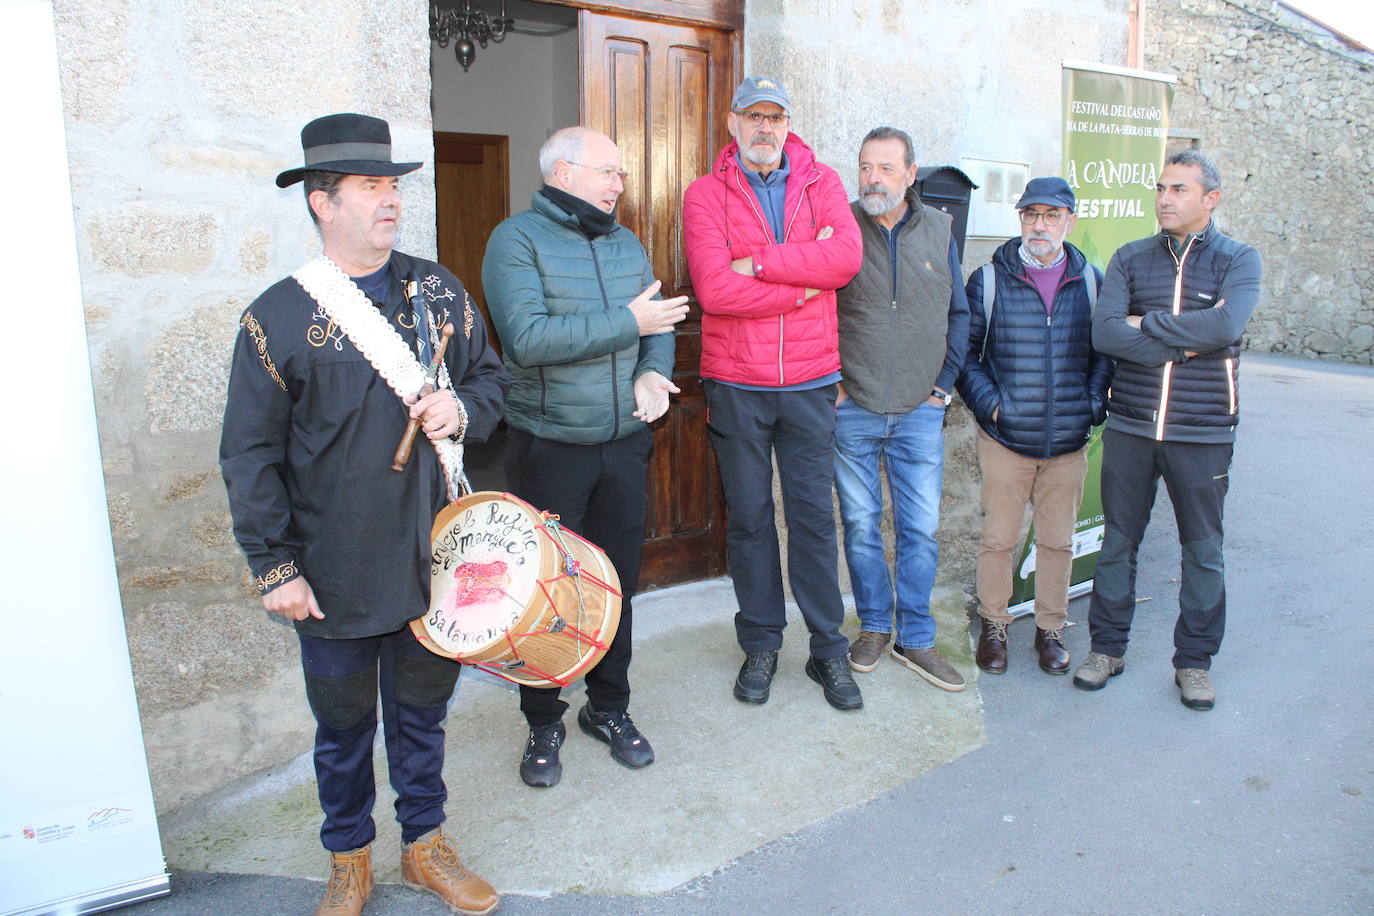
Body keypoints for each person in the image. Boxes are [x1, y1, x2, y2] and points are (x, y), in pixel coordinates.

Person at [220, 113, 507, 916]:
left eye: (392, 186)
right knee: (343, 728)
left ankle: (425, 845)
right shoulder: (275, 319)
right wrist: (275, 567)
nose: (390, 201)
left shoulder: (440, 290)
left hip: (432, 553)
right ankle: (349, 857)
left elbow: (493, 382)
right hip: (334, 567)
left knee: (422, 716)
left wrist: (462, 408)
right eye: (371, 188)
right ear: (322, 202)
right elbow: (249, 454)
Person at [481, 126, 687, 788]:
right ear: (564, 172)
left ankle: (609, 708)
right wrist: (634, 325)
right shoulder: (515, 241)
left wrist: (653, 372)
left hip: (624, 444)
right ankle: (544, 719)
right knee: (550, 592)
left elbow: (658, 325)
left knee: (613, 586)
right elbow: (529, 339)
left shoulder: (625, 242)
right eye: (609, 171)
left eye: (621, 173)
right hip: (550, 450)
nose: (620, 182)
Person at [682, 76, 864, 710]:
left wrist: (757, 262)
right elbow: (714, 292)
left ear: (789, 123)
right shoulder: (705, 195)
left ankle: (827, 651)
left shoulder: (825, 184)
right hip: (736, 385)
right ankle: (761, 642)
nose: (765, 127)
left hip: (812, 383)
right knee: (752, 520)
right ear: (733, 123)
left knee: (815, 519)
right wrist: (802, 280)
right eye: (754, 116)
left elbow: (843, 260)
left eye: (776, 117)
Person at [1075, 149, 1262, 711]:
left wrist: (1151, 326)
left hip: (1202, 432)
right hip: (1131, 424)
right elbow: (1106, 333)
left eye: (1179, 189)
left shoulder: (1238, 259)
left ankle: (1194, 662)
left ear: (1211, 199)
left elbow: (1228, 324)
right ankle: (1106, 649)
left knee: (1202, 551)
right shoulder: (1132, 258)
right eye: (1161, 188)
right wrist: (1190, 343)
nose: (1164, 199)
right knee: (1118, 543)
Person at [957, 176, 1112, 677]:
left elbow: (1104, 355)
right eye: (1030, 215)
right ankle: (995, 626)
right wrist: (993, 407)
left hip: (1067, 443)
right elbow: (964, 356)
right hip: (1006, 441)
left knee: (1057, 542)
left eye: (1050, 215)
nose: (1039, 225)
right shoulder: (990, 280)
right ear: (1020, 219)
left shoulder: (1091, 281)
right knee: (998, 539)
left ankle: (1050, 629)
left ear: (1070, 220)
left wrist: (1090, 405)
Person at [834, 127, 971, 691]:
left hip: (920, 409)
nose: (873, 178)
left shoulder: (940, 230)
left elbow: (960, 315)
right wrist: (832, 385)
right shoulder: (839, 225)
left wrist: (942, 388)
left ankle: (915, 638)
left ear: (911, 174)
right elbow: (814, 308)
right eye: (866, 166)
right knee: (861, 526)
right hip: (853, 406)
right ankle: (873, 626)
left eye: (886, 168)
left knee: (919, 529)